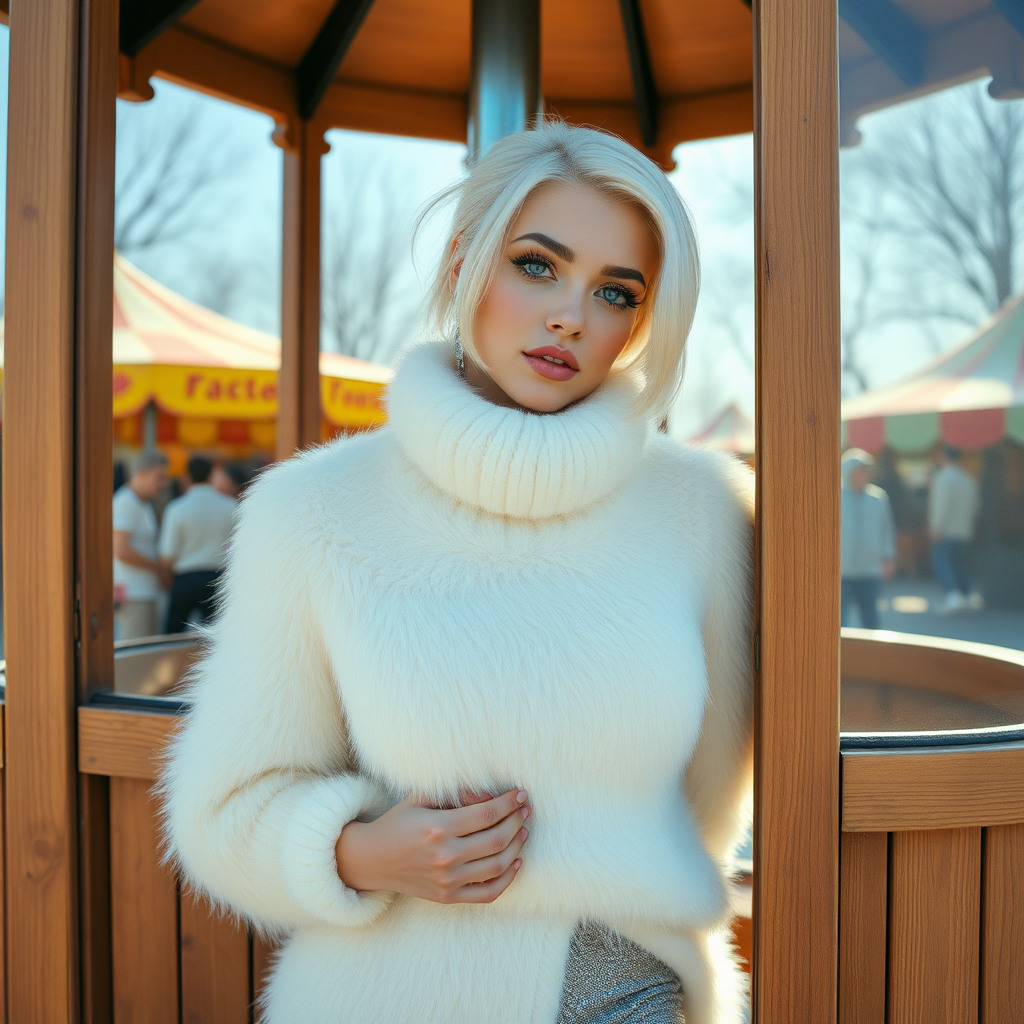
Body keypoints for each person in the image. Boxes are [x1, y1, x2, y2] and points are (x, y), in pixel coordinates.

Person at [163, 123, 754, 1024]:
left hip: (630, 992)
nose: (571, 315)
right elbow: (223, 811)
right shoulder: (315, 511)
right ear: (461, 264)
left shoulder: (700, 508)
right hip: (386, 997)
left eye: (616, 291)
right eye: (536, 265)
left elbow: (711, 807)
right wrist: (358, 854)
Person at [159, 455, 237, 633]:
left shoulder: (176, 508)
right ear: (211, 476)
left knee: (172, 636)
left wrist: (166, 577)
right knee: (215, 639)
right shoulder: (230, 505)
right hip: (218, 578)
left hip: (184, 578)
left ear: (187, 477)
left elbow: (168, 554)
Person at [113, 450, 169, 640]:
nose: (163, 484)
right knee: (135, 658)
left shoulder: (140, 503)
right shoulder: (125, 502)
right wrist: (158, 567)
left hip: (143, 593)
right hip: (134, 594)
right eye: (159, 477)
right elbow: (120, 550)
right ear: (142, 473)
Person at [840, 449, 896, 630]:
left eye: (865, 471)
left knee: (871, 618)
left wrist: (888, 557)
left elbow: (887, 530)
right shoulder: (835, 497)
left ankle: (872, 656)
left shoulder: (878, 498)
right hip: (842, 571)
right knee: (839, 621)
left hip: (870, 569)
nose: (863, 476)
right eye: (858, 471)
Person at [929, 445, 981, 615]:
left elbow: (942, 507)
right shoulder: (968, 479)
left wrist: (936, 527)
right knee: (959, 564)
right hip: (964, 530)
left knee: (942, 562)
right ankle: (966, 595)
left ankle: (952, 595)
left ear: (943, 456)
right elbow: (976, 507)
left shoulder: (944, 478)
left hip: (946, 530)